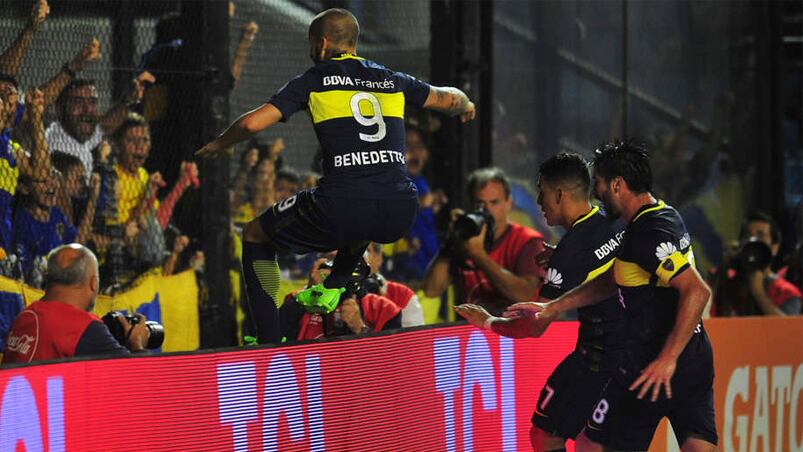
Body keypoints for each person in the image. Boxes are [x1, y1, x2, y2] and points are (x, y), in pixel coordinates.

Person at [196, 8, 475, 344]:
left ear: (323, 43)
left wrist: (219, 143)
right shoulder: (391, 79)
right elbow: (448, 98)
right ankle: (335, 285)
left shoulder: (314, 79)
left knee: (255, 235)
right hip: (400, 209)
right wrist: (466, 105)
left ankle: (266, 343)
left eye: (312, 45)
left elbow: (251, 124)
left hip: (344, 204)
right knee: (361, 213)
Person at [502, 141, 717, 451]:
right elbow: (614, 277)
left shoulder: (646, 232)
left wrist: (667, 358)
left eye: (599, 183)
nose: (596, 193)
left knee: (591, 444)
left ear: (618, 185)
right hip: (696, 357)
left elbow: (698, 290)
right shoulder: (661, 215)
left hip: (653, 362)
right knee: (697, 443)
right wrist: (555, 306)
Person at [455, 153, 625, 451]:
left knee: (545, 436)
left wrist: (488, 321)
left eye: (542, 191)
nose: (538, 201)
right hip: (634, 350)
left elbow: (533, 326)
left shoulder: (570, 253)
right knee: (591, 442)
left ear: (560, 194)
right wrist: (561, 255)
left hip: (597, 358)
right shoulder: (610, 220)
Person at [422, 167, 544, 315]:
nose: (487, 210)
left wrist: (479, 256)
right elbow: (431, 290)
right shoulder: (464, 240)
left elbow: (526, 296)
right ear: (469, 205)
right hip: (471, 335)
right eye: (479, 204)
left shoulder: (528, 241)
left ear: (508, 203)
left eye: (494, 202)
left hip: (515, 335)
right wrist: (452, 241)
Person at [2, 243, 149, 364]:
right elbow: (144, 382)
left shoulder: (24, 317)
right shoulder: (83, 328)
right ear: (93, 283)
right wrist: (137, 343)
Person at [279, 257, 401, 341]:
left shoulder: (385, 310)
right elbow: (275, 343)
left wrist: (360, 329)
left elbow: (393, 362)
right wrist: (312, 293)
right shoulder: (298, 299)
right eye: (334, 260)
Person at [712, 211, 801, 316]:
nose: (752, 240)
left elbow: (790, 330)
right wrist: (722, 269)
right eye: (747, 235)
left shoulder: (786, 292)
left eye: (760, 235)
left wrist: (759, 293)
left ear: (774, 248)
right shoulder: (726, 285)